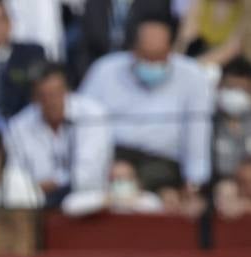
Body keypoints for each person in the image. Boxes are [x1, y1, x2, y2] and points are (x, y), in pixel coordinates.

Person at [79, 14, 212, 196]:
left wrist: (195, 183)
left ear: (171, 51)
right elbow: (82, 122)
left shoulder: (193, 77)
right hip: (112, 157)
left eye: (158, 57)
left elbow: (197, 135)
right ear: (133, 50)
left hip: (162, 163)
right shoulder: (104, 70)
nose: (151, 64)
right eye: (146, 56)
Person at [5, 62, 111, 206]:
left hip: (86, 200)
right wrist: (36, 188)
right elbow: (17, 179)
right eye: (44, 96)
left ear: (67, 91)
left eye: (56, 94)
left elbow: (89, 176)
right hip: (37, 204)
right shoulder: (17, 126)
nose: (51, 102)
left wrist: (55, 182)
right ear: (34, 98)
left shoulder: (92, 114)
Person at [173, 0, 243, 68]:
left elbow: (231, 50)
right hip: (195, 55)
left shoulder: (241, 11)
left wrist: (195, 65)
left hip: (217, 65)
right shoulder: (200, 3)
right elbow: (185, 38)